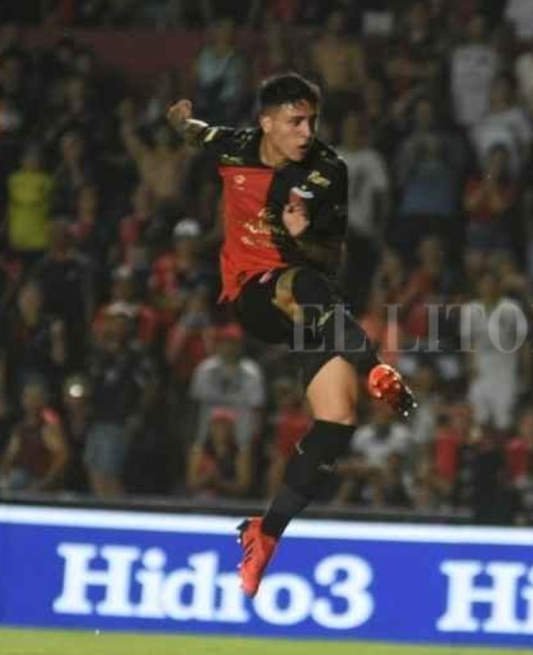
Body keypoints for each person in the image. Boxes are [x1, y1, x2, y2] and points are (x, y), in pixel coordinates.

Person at [167, 72, 416, 598]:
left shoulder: (328, 170)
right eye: (294, 121)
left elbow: (333, 255)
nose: (307, 131)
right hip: (255, 297)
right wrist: (178, 121)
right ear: (266, 123)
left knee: (338, 420)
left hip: (312, 306)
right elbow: (197, 132)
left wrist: (307, 235)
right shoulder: (235, 148)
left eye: (312, 120)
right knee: (298, 283)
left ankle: (266, 534)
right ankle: (375, 367)